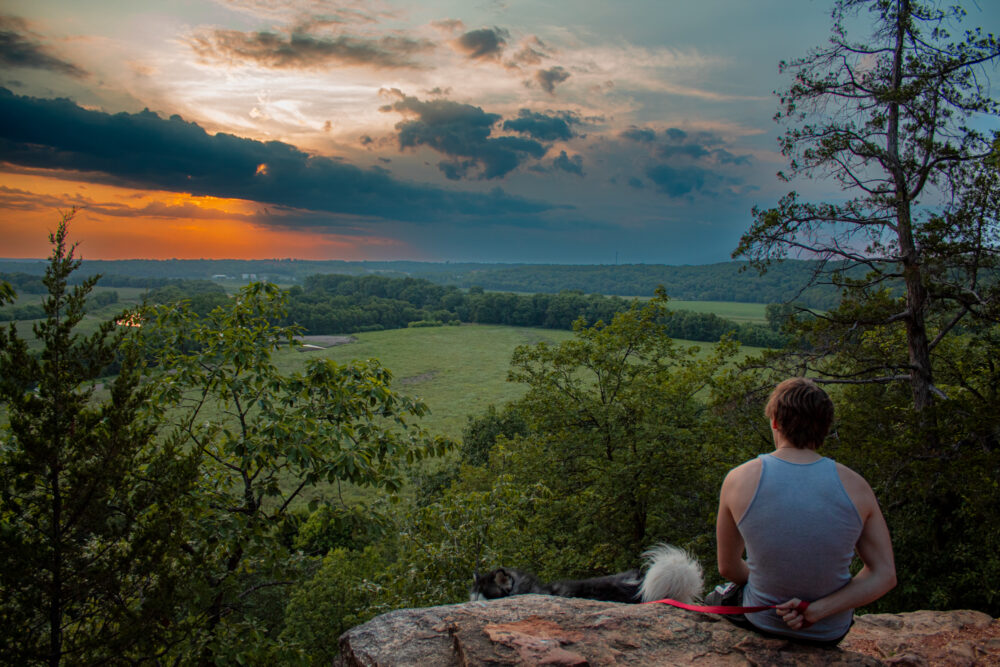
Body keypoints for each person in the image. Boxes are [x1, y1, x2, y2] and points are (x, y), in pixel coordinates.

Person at [712, 377, 896, 646]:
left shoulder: (739, 478)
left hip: (762, 620)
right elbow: (884, 575)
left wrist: (772, 589)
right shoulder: (856, 486)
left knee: (717, 597)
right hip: (829, 631)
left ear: (775, 421)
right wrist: (817, 610)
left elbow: (728, 568)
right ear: (824, 428)